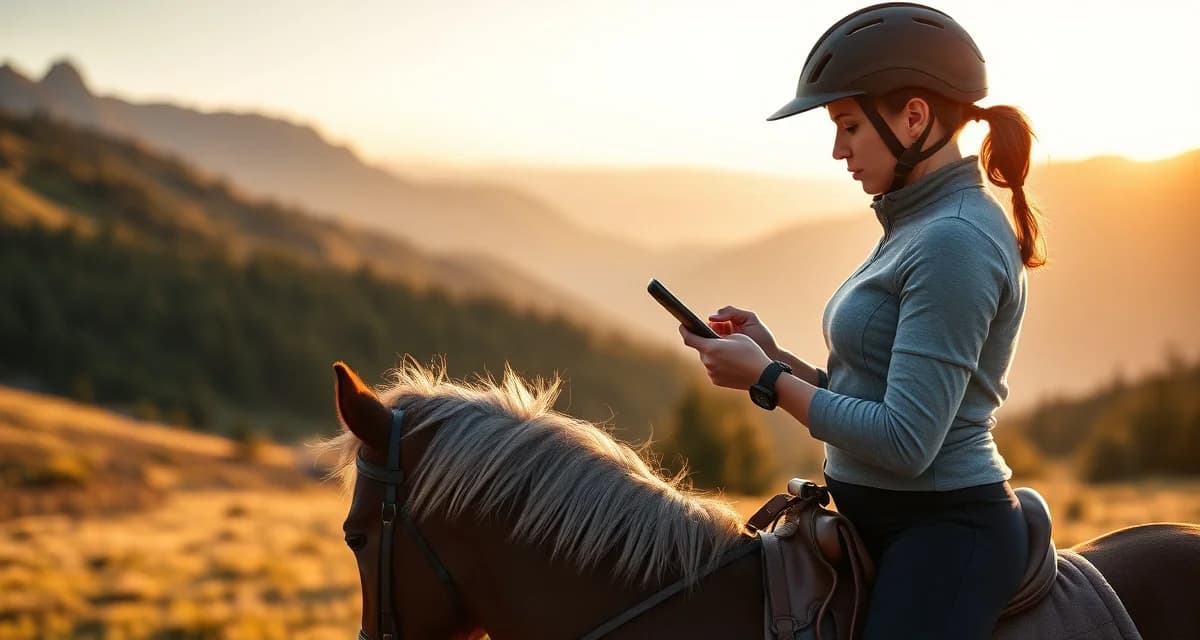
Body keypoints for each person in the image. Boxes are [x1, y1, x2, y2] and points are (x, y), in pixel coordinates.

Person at [677, 3, 1047, 638]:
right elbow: (870, 391)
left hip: (945, 536)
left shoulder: (953, 240)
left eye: (848, 126)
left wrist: (767, 379)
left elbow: (905, 440)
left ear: (914, 117)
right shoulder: (915, 222)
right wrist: (775, 356)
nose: (836, 150)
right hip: (876, 517)